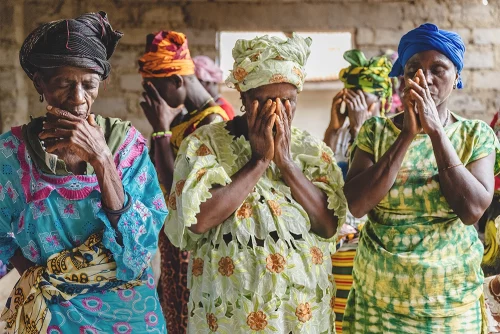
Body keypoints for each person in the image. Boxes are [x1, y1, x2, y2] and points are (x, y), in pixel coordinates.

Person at [164, 33, 346, 333]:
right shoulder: (205, 144)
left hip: (297, 315)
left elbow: (327, 225)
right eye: (263, 101)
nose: (276, 111)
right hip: (229, 316)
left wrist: (285, 162)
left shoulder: (310, 151)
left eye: (287, 102)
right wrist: (259, 161)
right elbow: (198, 219)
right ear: (244, 99)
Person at [0, 12, 168, 333]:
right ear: (40, 83)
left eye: (89, 85)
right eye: (64, 83)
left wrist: (102, 159)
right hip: (53, 317)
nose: (78, 99)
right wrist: (47, 276)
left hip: (130, 315)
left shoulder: (125, 146)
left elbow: (141, 248)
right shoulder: (12, 154)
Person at [343, 23, 500, 333]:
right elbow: (358, 205)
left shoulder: (474, 135)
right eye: (413, 67)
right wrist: (407, 136)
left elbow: (471, 211)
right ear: (403, 76)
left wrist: (436, 132)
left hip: (450, 304)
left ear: (456, 77)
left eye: (438, 69)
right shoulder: (376, 133)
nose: (423, 78)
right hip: (379, 302)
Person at [138, 30, 229, 333]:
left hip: (194, 245)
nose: (154, 100)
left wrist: (160, 130)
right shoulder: (183, 120)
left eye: (155, 90)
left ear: (177, 81)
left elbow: (176, 188)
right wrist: (162, 129)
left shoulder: (213, 124)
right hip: (174, 242)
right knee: (174, 314)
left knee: (193, 317)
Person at [323, 49, 392, 334]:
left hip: (369, 241)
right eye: (350, 99)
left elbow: (375, 183)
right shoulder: (339, 136)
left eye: (363, 101)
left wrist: (362, 125)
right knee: (338, 313)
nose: (355, 106)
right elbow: (322, 172)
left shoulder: (389, 134)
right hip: (337, 240)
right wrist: (334, 126)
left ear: (380, 103)